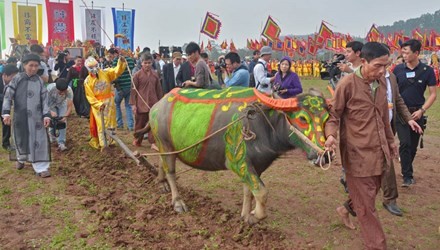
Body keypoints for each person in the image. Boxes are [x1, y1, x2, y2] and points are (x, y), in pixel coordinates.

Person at [325, 42, 397, 249]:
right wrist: (330, 136)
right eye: (378, 66)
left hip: (380, 152)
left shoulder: (382, 83)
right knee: (366, 208)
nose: (383, 71)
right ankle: (377, 246)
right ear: (363, 62)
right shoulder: (347, 84)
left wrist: (391, 142)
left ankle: (347, 207)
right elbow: (333, 116)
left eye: (386, 66)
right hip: (357, 156)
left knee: (370, 194)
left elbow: (384, 117)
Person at [393, 39, 437, 187]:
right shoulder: (398, 70)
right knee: (404, 143)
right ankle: (407, 176)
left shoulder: (427, 71)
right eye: (402, 52)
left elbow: (432, 94)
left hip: (417, 113)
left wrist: (422, 110)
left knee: (412, 146)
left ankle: (406, 167)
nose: (403, 55)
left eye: (406, 52)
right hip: (400, 113)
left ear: (416, 53)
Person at [2, 54, 52, 178]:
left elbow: (44, 98)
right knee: (21, 137)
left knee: (39, 140)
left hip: (37, 116)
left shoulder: (39, 80)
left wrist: (46, 115)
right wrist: (6, 113)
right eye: (31, 65)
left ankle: (41, 167)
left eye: (36, 66)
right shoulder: (17, 79)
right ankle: (21, 158)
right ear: (24, 65)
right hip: (21, 115)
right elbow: (8, 96)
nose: (33, 68)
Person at [84, 56, 126, 150]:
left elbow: (116, 71)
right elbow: (90, 96)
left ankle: (112, 141)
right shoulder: (87, 81)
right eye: (92, 67)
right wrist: (98, 105)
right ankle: (104, 144)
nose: (95, 69)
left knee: (111, 122)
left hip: (109, 102)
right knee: (101, 124)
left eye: (96, 66)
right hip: (99, 105)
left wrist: (120, 62)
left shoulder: (105, 72)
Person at [130, 53, 163, 147]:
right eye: (145, 63)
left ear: (152, 63)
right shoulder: (137, 75)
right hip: (141, 104)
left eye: (149, 63)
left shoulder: (155, 75)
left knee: (153, 124)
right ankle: (137, 140)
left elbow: (159, 90)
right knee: (139, 124)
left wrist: (161, 102)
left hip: (153, 104)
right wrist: (133, 105)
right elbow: (133, 91)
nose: (147, 65)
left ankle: (153, 142)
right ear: (141, 63)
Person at [108, 48, 135, 131]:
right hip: (129, 86)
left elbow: (114, 74)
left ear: (115, 54)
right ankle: (130, 126)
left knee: (117, 104)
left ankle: (120, 124)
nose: (110, 57)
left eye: (110, 56)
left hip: (120, 87)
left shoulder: (116, 61)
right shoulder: (130, 60)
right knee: (128, 106)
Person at [47, 78, 73, 151]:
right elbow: (44, 103)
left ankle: (61, 142)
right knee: (53, 120)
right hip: (50, 104)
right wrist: (51, 111)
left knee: (62, 122)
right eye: (60, 91)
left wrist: (65, 116)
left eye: (63, 92)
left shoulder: (69, 91)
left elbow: (70, 106)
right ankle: (52, 136)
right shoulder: (50, 89)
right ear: (56, 88)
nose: (62, 93)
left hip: (62, 104)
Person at [1, 65, 19, 150]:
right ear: (5, 75)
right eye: (13, 77)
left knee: (6, 122)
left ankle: (6, 143)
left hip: (4, 104)